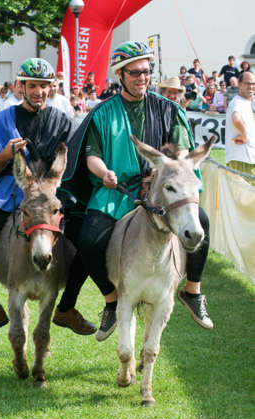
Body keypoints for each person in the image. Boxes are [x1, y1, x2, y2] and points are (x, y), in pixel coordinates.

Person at [52, 41, 213, 342]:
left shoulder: (170, 110)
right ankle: (111, 300)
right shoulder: (103, 114)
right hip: (116, 193)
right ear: (120, 75)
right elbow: (91, 156)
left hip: (161, 193)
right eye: (135, 72)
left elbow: (182, 151)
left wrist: (166, 170)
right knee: (88, 241)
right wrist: (105, 172)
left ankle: (192, 291)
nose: (143, 77)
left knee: (200, 221)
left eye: (147, 71)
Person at [0, 57, 95, 340]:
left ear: (51, 87)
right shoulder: (1, 122)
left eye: (44, 86)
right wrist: (7, 154)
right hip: (8, 196)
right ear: (21, 87)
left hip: (52, 198)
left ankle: (66, 308)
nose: (38, 92)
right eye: (32, 86)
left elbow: (76, 165)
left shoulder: (63, 122)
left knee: (90, 241)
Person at [225, 71, 255, 186]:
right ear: (239, 84)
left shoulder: (246, 102)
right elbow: (236, 119)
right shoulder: (237, 103)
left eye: (253, 83)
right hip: (242, 159)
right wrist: (244, 136)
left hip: (247, 158)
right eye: (247, 83)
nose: (251, 86)